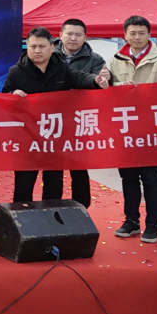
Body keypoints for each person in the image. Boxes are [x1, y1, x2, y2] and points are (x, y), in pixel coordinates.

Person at [106, 15, 157, 244]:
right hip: (126, 129)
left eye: (141, 33)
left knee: (151, 179)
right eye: (132, 33)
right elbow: (107, 84)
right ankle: (131, 221)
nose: (137, 37)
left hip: (151, 130)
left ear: (149, 34)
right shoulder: (116, 59)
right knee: (128, 178)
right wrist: (115, 85)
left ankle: (152, 224)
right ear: (125, 35)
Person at [25, 17, 107, 208]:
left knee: (79, 167)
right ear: (60, 35)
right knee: (52, 166)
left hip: (79, 120)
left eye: (78, 35)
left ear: (85, 37)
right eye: (69, 34)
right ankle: (51, 204)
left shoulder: (95, 59)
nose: (73, 38)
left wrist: (101, 80)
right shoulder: (49, 55)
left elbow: (96, 83)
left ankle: (81, 208)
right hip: (50, 121)